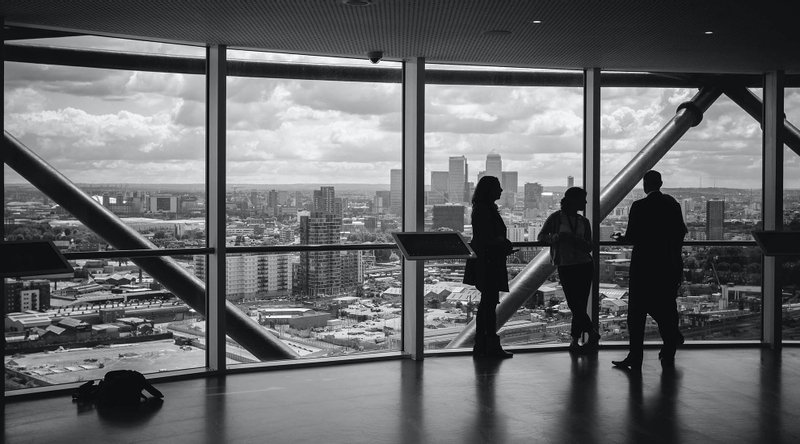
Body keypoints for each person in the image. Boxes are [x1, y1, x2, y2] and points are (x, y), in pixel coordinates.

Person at [612, 170, 687, 370]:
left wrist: (621, 239)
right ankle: (669, 346)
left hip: (643, 266)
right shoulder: (672, 205)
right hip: (667, 265)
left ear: (645, 185)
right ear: (661, 183)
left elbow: (633, 237)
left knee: (637, 313)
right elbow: (680, 234)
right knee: (666, 306)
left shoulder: (639, 206)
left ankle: (636, 356)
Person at [538, 187, 600, 352]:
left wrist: (575, 240)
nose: (586, 202)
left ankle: (574, 341)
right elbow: (542, 236)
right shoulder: (556, 218)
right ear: (573, 200)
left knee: (579, 304)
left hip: (584, 264)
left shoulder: (583, 221)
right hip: (567, 264)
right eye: (583, 199)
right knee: (575, 304)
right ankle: (591, 333)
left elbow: (589, 246)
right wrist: (556, 238)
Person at [463, 176, 515, 359]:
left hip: (485, 261)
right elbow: (488, 237)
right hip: (489, 262)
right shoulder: (486, 210)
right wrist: (502, 244)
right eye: (498, 188)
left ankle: (483, 344)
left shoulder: (481, 209)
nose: (501, 191)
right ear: (490, 190)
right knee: (489, 305)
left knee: (487, 304)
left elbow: (483, 237)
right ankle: (489, 344)